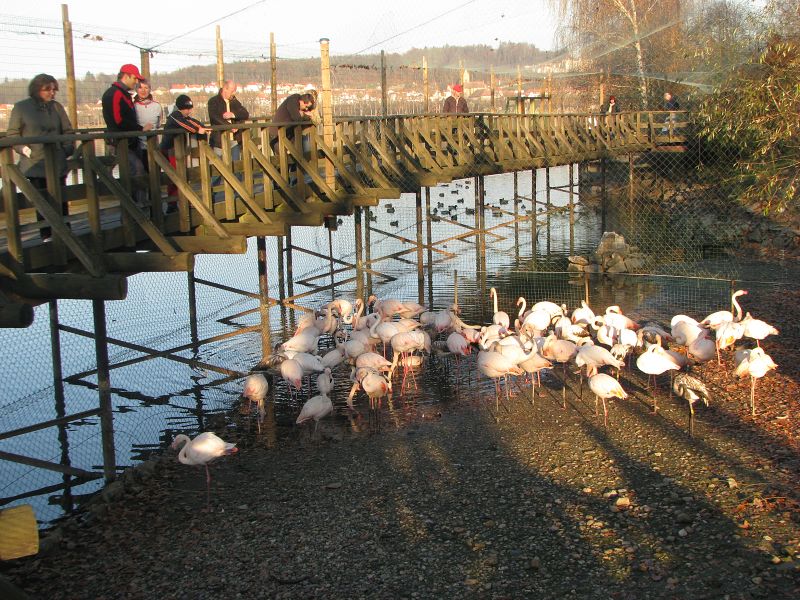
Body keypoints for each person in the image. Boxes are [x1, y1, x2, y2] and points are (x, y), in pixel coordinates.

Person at [6, 73, 75, 240]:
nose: (52, 93)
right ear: (37, 90)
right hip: (35, 163)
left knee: (61, 199)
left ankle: (66, 233)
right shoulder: (21, 108)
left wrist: (67, 149)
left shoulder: (57, 107)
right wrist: (23, 149)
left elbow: (68, 131)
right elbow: (13, 134)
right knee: (42, 200)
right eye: (48, 89)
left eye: (54, 89)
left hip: (57, 161)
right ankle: (47, 235)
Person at [102, 63, 151, 205]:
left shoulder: (123, 94)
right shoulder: (115, 94)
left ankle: (137, 203)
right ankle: (137, 205)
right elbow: (118, 120)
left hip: (130, 140)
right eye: (134, 78)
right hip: (121, 141)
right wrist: (139, 129)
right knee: (137, 169)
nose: (136, 82)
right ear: (126, 76)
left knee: (135, 171)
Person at [160, 94, 207, 213]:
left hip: (178, 151)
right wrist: (198, 130)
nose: (189, 111)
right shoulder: (175, 116)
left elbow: (193, 122)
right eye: (187, 109)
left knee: (181, 175)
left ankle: (182, 200)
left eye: (190, 108)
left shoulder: (183, 116)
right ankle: (173, 204)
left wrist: (203, 127)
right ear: (181, 107)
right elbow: (187, 125)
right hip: (169, 150)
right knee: (175, 177)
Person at [207, 80, 250, 160]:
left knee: (236, 165)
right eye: (232, 91)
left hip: (234, 140)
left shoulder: (234, 101)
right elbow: (214, 117)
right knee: (219, 165)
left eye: (235, 91)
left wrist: (233, 114)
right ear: (225, 89)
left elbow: (245, 114)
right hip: (219, 141)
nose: (234, 93)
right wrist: (230, 126)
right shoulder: (213, 101)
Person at [133, 79, 162, 170]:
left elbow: (159, 123)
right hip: (138, 146)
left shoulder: (157, 106)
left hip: (154, 145)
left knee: (155, 171)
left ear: (150, 89)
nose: (143, 90)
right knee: (141, 171)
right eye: (140, 88)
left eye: (146, 88)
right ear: (136, 89)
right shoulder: (133, 106)